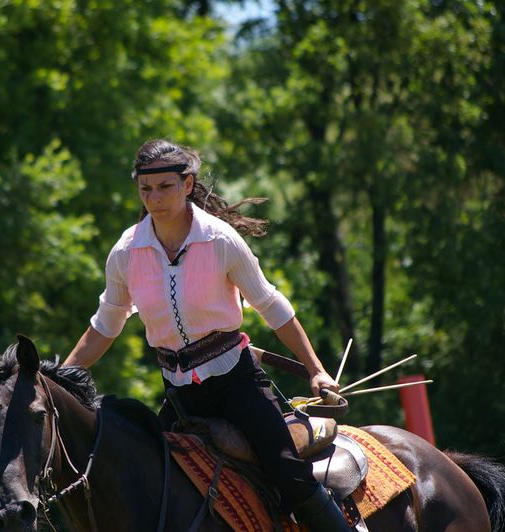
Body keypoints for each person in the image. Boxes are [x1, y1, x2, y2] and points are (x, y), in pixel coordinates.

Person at [64, 139, 351, 531]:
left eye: (165, 186)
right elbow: (103, 327)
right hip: (179, 396)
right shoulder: (124, 253)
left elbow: (271, 306)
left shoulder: (221, 241)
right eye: (145, 189)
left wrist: (316, 370)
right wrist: (55, 378)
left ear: (187, 185)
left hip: (237, 384)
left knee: (289, 473)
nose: (154, 198)